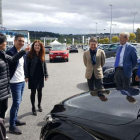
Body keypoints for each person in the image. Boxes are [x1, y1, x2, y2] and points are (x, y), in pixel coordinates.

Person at [0, 33, 29, 138]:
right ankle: (12, 126)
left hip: (21, 81)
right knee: (16, 102)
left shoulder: (22, 53)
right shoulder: (9, 52)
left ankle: (15, 119)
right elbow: (12, 61)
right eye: (19, 41)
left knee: (19, 102)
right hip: (14, 82)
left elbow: (23, 65)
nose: (21, 43)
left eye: (23, 41)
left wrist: (26, 76)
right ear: (15, 41)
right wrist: (22, 52)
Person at [25, 40, 48, 116]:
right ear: (33, 46)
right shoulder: (29, 54)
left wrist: (46, 75)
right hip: (32, 76)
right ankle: (33, 107)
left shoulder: (42, 54)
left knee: (40, 92)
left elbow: (44, 65)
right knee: (33, 92)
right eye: (35, 45)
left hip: (40, 76)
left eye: (38, 45)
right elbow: (26, 66)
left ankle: (39, 105)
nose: (37, 46)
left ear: (41, 47)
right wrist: (26, 76)